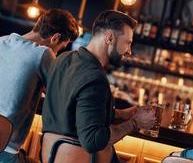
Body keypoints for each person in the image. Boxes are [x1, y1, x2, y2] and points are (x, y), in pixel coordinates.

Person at [42, 10, 156, 163]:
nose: (129, 51)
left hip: (50, 156)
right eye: (127, 43)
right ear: (109, 37)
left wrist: (121, 114)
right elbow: (93, 141)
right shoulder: (95, 79)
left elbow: (74, 110)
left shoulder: (62, 59)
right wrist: (135, 123)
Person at [0, 9, 79, 163]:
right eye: (61, 47)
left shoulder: (2, 41)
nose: (57, 52)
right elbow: (64, 97)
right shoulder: (43, 54)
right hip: (6, 151)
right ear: (55, 38)